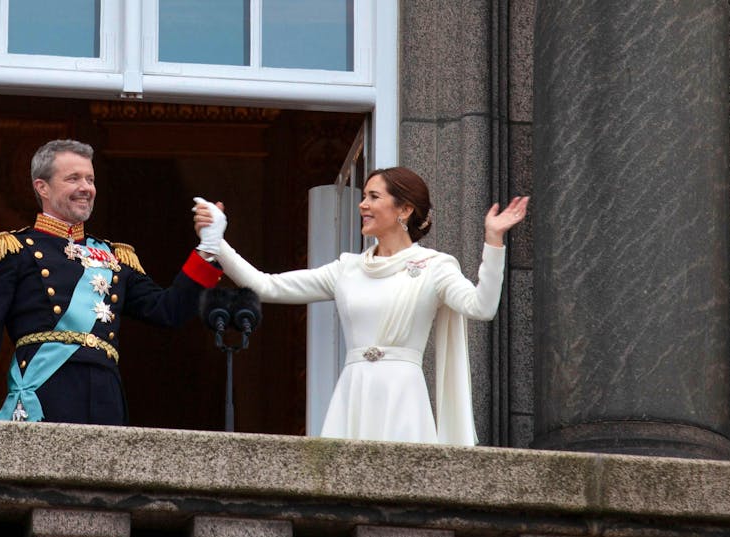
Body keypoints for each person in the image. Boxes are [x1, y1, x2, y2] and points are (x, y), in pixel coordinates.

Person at [193, 167, 528, 444]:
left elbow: (481, 307)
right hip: (353, 392)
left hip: (403, 396)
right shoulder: (347, 269)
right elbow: (267, 285)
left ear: (404, 209)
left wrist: (493, 241)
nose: (362, 204)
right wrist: (217, 243)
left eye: (373, 197)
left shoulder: (435, 266)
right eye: (363, 196)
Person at [0, 139, 223, 424]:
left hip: (105, 399)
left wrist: (207, 248)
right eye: (73, 178)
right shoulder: (15, 250)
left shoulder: (115, 257)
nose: (86, 187)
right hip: (46, 394)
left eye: (90, 179)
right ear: (42, 187)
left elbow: (168, 310)